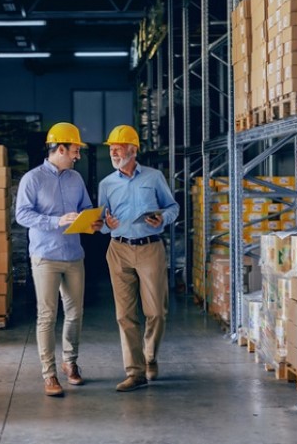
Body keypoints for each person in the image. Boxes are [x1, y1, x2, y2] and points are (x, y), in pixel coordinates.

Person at [15, 122, 103, 397]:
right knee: (47, 315)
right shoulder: (33, 179)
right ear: (60, 148)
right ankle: (49, 374)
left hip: (74, 254)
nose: (77, 156)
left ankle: (70, 363)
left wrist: (92, 222)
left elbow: (86, 208)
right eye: (75, 150)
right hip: (45, 256)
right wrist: (56, 220)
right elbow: (22, 215)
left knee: (75, 313)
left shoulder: (75, 179)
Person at [98, 124, 180, 392]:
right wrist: (106, 223)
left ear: (133, 150)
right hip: (118, 249)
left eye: (118, 147)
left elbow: (173, 207)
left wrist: (162, 219)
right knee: (125, 315)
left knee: (156, 311)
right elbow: (102, 222)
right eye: (111, 148)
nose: (113, 151)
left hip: (150, 247)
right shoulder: (106, 184)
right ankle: (134, 372)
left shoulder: (154, 178)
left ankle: (150, 356)